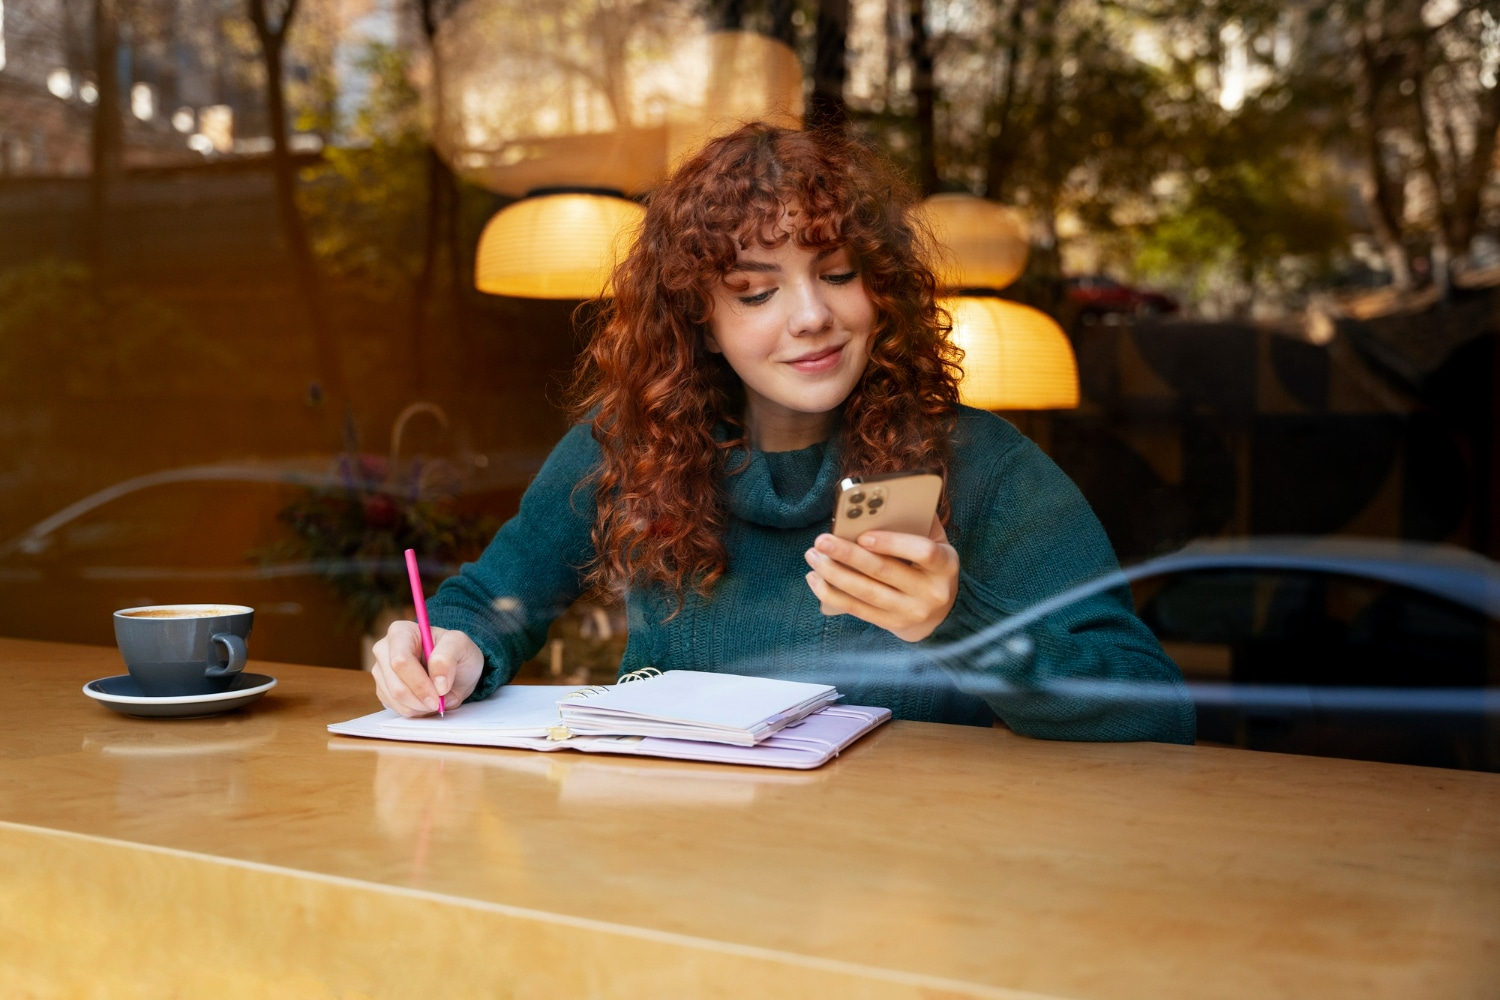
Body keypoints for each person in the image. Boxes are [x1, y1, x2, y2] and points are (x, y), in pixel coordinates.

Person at [370, 123, 1195, 744]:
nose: (812, 317)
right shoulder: (631, 443)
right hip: (669, 863)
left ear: (881, 286)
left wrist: (961, 621)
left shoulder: (982, 466)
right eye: (756, 292)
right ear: (701, 317)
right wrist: (454, 649)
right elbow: (496, 601)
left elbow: (1153, 709)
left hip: (905, 888)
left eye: (837, 273)